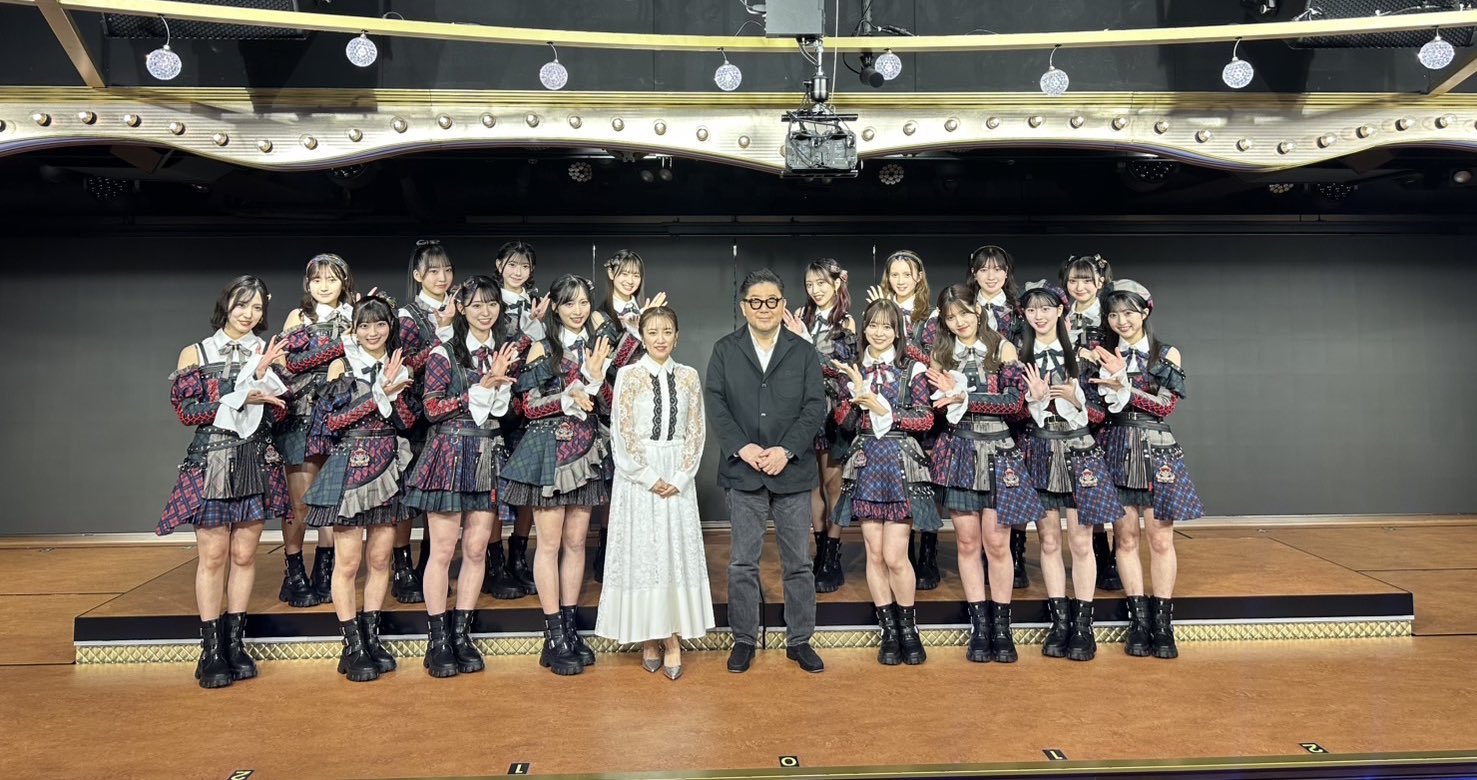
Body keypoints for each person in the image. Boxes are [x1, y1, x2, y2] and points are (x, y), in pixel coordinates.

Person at [157, 275, 290, 688]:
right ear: (226, 305)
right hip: (212, 459)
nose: (248, 314)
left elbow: (281, 412)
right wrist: (239, 392)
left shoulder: (268, 352)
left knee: (245, 555)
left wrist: (268, 388)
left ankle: (235, 643)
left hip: (256, 458)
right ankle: (211, 649)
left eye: (257, 308)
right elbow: (187, 412)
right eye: (241, 305)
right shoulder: (196, 352)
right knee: (213, 556)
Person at [704, 269, 828, 674]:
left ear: (782, 305)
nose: (764, 308)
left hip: (792, 472)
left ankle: (800, 640)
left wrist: (786, 450)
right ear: (744, 307)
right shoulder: (725, 350)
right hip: (743, 470)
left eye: (772, 301)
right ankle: (743, 639)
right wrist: (743, 447)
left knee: (799, 563)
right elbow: (716, 403)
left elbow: (814, 406)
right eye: (755, 301)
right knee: (743, 561)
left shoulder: (803, 351)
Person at [301, 295, 417, 682]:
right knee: (349, 562)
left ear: (390, 327)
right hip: (350, 464)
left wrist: (395, 394)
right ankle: (351, 645)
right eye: (364, 325)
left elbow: (407, 421)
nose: (372, 332)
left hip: (388, 465)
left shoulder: (399, 364)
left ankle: (371, 637)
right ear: (354, 330)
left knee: (381, 560)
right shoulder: (342, 365)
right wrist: (378, 393)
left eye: (379, 324)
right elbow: (333, 422)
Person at [595, 305, 715, 680]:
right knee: (644, 555)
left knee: (673, 555)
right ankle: (649, 636)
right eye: (652, 332)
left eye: (667, 332)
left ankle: (673, 638)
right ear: (642, 337)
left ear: (677, 337)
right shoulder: (628, 375)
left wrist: (681, 476)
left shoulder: (689, 376)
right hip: (639, 479)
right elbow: (622, 432)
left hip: (678, 475)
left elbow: (696, 430)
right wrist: (647, 476)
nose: (660, 339)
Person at [1091, 279, 1204, 659]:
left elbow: (1165, 406)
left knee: (1160, 539)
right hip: (1115, 446)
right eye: (1114, 314)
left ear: (1144, 312)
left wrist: (1125, 386)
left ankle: (1163, 622)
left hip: (1156, 449)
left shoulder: (1165, 353)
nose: (1121, 321)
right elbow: (1098, 410)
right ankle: (1138, 621)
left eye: (1129, 312)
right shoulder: (1102, 352)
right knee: (1124, 539)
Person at [830, 299, 937, 666]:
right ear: (864, 329)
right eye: (873, 325)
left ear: (897, 331)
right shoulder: (854, 370)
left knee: (895, 555)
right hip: (866, 462)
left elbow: (925, 419)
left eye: (886, 326)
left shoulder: (913, 370)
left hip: (900, 462)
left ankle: (909, 628)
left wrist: (883, 410)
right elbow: (843, 422)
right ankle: (889, 631)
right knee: (874, 553)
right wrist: (854, 398)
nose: (879, 332)